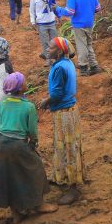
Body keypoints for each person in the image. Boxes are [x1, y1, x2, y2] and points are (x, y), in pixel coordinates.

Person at [0, 73, 58, 223]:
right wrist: (33, 144)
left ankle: (16, 213)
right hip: (18, 144)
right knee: (36, 169)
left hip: (2, 144)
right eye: (24, 81)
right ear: (21, 88)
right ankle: (39, 204)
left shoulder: (3, 104)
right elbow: (32, 131)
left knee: (7, 176)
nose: (26, 82)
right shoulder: (28, 107)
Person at [38, 37, 84, 205]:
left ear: (58, 51)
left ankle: (73, 188)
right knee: (67, 145)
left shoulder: (58, 68)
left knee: (67, 147)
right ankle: (62, 176)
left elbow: (57, 94)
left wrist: (46, 101)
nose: (47, 50)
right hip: (70, 110)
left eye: (50, 48)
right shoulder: (67, 63)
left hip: (64, 112)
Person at [55, 0, 102, 76]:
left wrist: (58, 9)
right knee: (88, 44)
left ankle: (83, 67)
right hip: (89, 23)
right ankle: (94, 65)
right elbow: (98, 8)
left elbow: (70, 12)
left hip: (79, 24)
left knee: (81, 45)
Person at [29, 0, 58, 65]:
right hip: (41, 23)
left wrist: (57, 16)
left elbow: (54, 5)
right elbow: (31, 11)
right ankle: (48, 59)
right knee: (45, 42)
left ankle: (56, 58)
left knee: (55, 41)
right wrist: (33, 22)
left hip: (51, 21)